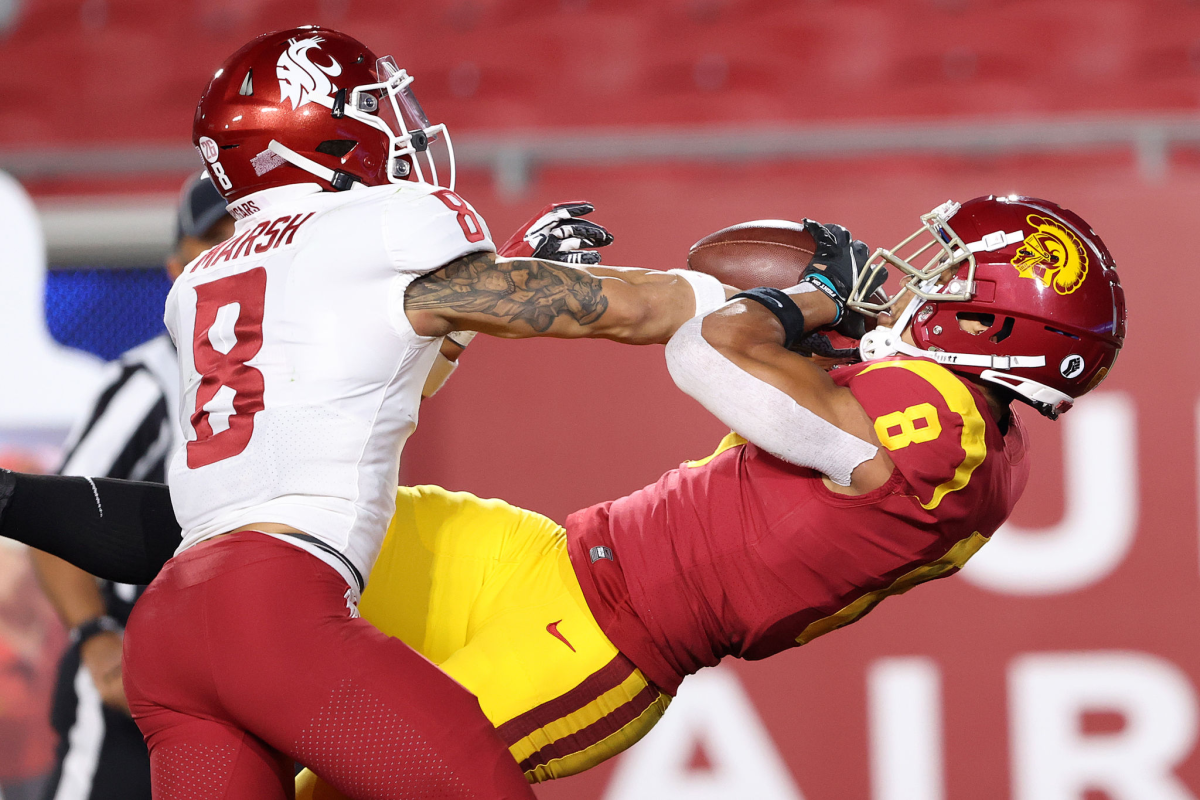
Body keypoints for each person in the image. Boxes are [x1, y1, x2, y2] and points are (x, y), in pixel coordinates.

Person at [0, 197, 1126, 796]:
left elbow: (709, 357)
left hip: (602, 644)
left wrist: (814, 300)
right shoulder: (965, 424)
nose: (919, 279)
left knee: (342, 783)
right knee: (260, 522)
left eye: (949, 276)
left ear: (997, 322)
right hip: (550, 555)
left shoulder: (950, 434)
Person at [107, 25, 746, 800]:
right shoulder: (386, 222)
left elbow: (367, 374)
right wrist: (735, 301)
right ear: (316, 129)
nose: (397, 124)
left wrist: (486, 291)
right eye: (373, 106)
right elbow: (602, 311)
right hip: (272, 610)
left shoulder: (201, 275)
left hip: (170, 625)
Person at [29, 173, 234, 800]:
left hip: (239, 682)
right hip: (142, 686)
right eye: (212, 243)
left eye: (244, 241)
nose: (228, 260)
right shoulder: (154, 380)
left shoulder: (303, 381)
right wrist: (95, 638)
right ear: (176, 269)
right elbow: (52, 516)